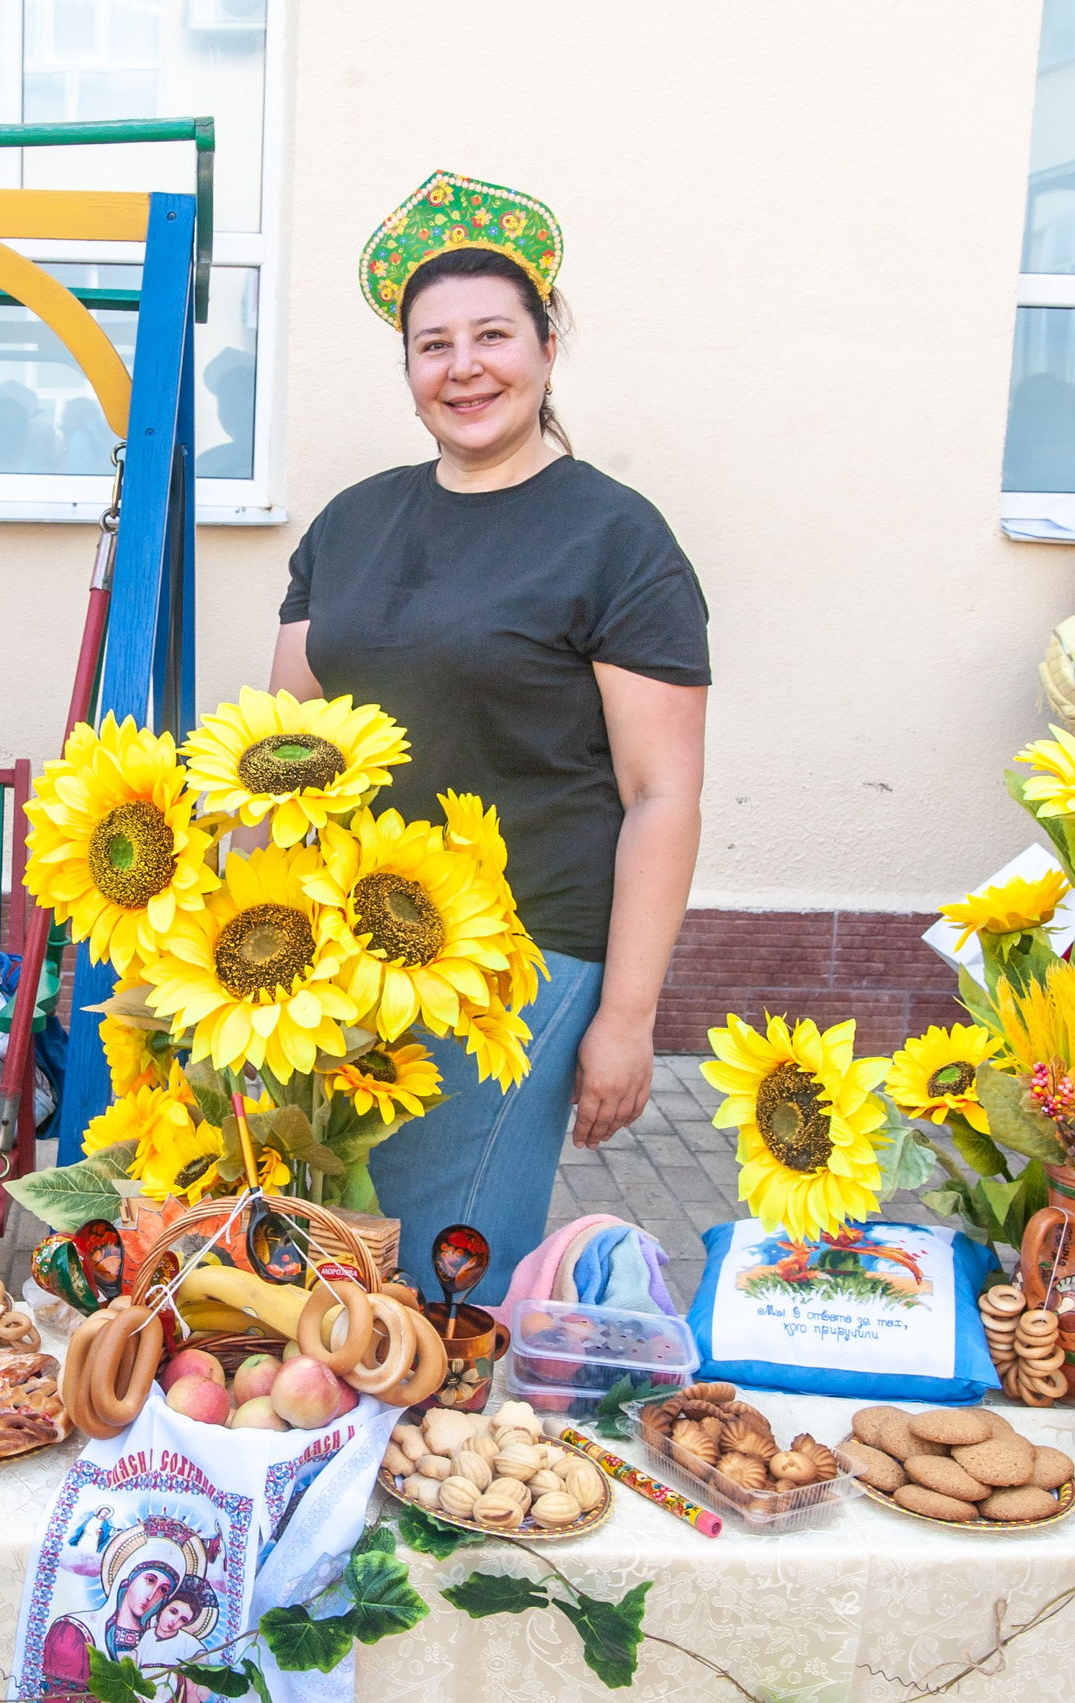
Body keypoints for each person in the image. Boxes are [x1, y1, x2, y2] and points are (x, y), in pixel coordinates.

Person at [273, 173, 709, 1305]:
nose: (463, 367)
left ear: (548, 349)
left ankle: (448, 1416)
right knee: (324, 1255)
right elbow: (281, 748)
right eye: (434, 345)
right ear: (408, 370)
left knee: (435, 1268)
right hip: (344, 957)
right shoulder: (351, 523)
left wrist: (626, 1017)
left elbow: (661, 793)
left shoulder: (617, 539)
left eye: (493, 336)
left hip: (520, 959)